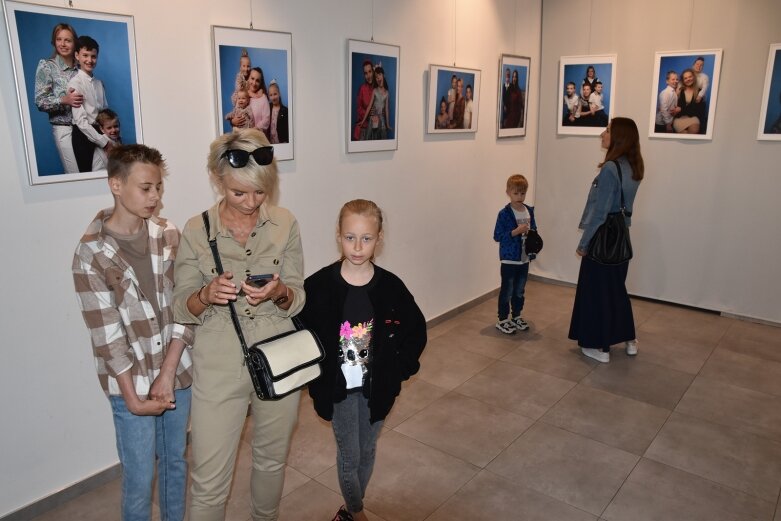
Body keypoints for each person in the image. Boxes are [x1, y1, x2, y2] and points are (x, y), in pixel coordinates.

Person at [173, 128, 304, 521]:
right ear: (218, 180)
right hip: (218, 363)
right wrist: (206, 295)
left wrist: (280, 292)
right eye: (239, 193)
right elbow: (181, 306)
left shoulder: (285, 223)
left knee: (271, 461)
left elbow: (298, 294)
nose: (250, 203)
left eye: (260, 192)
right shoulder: (196, 230)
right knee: (209, 479)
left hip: (278, 353)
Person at [72, 144, 194, 521]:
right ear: (115, 185)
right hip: (131, 384)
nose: (155, 197)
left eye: (158, 187)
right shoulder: (90, 254)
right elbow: (107, 337)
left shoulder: (168, 234)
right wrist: (134, 398)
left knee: (175, 463)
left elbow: (185, 306)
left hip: (177, 370)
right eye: (145, 188)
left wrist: (169, 373)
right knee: (139, 481)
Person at [299, 199, 427, 521]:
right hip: (339, 390)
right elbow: (300, 333)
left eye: (366, 238)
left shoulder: (392, 287)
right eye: (349, 237)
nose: (357, 247)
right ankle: (357, 512)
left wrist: (400, 369)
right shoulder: (318, 286)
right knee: (349, 454)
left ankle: (348, 509)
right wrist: (315, 376)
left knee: (368, 450)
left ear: (379, 238)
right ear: (338, 236)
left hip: (377, 387)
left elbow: (416, 329)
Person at [569, 117, 644, 363]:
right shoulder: (634, 167)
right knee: (616, 291)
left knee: (596, 293)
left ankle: (598, 347)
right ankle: (629, 339)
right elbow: (626, 211)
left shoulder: (611, 168)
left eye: (608, 130)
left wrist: (583, 245)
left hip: (603, 239)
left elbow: (600, 214)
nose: (603, 134)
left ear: (619, 137)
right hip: (621, 237)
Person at [34, 23, 82, 174]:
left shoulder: (81, 69)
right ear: (54, 42)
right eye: (58, 39)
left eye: (67, 40)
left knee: (91, 172)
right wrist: (63, 100)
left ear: (75, 43)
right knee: (74, 175)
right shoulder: (47, 66)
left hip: (84, 129)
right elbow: (40, 101)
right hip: (64, 129)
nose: (62, 44)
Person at [493, 174, 538, 334]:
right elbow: (498, 236)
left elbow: (534, 232)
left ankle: (516, 316)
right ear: (508, 192)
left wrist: (533, 248)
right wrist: (515, 232)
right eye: (516, 193)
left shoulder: (529, 211)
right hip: (509, 260)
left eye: (522, 193)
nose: (519, 197)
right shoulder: (504, 214)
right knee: (507, 290)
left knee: (519, 290)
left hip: (524, 259)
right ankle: (503, 319)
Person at [67, 35, 113, 172]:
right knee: (87, 173)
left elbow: (105, 111)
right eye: (85, 55)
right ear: (77, 56)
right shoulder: (75, 83)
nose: (89, 60)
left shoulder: (99, 83)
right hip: (83, 135)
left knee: (107, 171)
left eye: (93, 56)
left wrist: (109, 135)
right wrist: (103, 142)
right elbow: (81, 121)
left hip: (100, 131)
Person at [357, 65, 392, 140]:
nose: (378, 77)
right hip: (373, 119)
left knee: (382, 139)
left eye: (379, 74)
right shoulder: (374, 91)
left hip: (382, 120)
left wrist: (388, 124)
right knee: (369, 137)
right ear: (375, 79)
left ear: (383, 75)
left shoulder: (387, 93)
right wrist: (363, 121)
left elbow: (386, 109)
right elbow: (369, 106)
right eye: (376, 76)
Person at [673, 68, 705, 134]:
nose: (688, 79)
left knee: (693, 133)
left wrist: (681, 109)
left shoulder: (700, 92)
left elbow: (698, 110)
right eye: (685, 78)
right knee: (684, 137)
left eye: (690, 76)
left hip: (693, 118)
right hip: (679, 119)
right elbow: (675, 108)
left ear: (694, 77)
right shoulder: (680, 90)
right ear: (683, 80)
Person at [243, 67, 271, 138]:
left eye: (257, 81)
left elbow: (266, 119)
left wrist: (253, 130)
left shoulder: (262, 97)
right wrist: (233, 121)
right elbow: (236, 110)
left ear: (260, 83)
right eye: (252, 78)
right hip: (243, 138)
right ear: (248, 78)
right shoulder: (243, 95)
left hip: (257, 138)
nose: (254, 83)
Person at [354, 60, 375, 141]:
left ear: (373, 71)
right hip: (363, 129)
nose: (368, 75)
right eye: (365, 73)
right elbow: (359, 108)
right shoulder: (362, 89)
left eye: (370, 72)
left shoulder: (378, 89)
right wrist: (368, 113)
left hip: (375, 129)